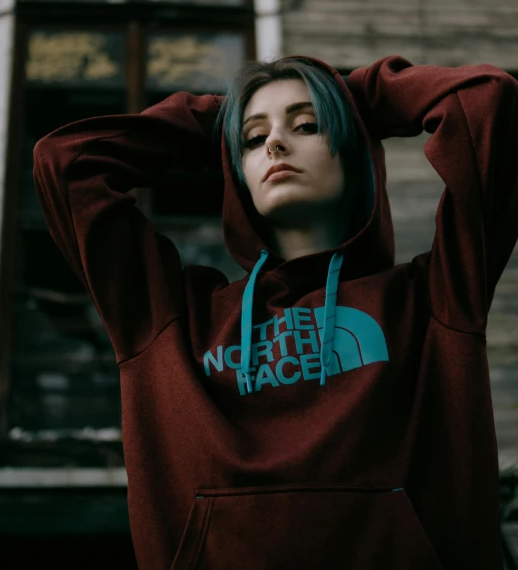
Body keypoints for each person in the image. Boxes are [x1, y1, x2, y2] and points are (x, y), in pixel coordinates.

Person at [32, 53, 518, 569]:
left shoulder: (434, 298)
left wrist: (350, 96)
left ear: (354, 148)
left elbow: (487, 100)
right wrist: (220, 121)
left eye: (307, 124)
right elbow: (67, 162)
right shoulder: (171, 316)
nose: (275, 143)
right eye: (252, 138)